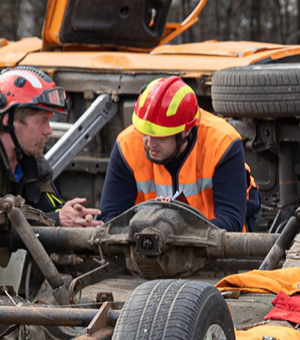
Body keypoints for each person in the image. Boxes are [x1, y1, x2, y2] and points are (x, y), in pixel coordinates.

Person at [94, 76, 260, 231]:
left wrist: (170, 234)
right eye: (144, 132)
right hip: (145, 251)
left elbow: (231, 221)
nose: (149, 143)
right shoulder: (127, 145)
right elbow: (110, 219)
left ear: (185, 132)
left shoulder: (222, 143)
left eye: (160, 136)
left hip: (217, 252)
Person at [0, 67, 91, 223]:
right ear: (8, 120)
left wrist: (72, 216)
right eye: (42, 121)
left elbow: (49, 209)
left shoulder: (31, 159)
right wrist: (57, 220)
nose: (49, 130)